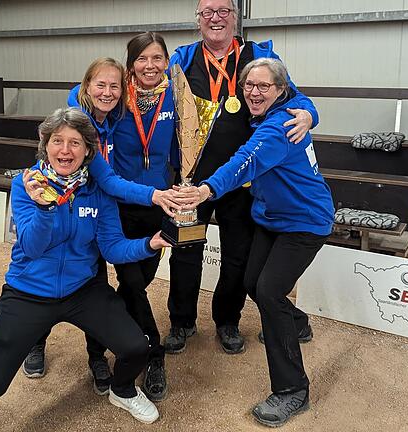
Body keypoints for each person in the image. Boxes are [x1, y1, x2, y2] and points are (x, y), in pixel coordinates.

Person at [0, 107, 168, 432]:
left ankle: (122, 389)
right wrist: (44, 207)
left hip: (83, 291)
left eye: (75, 143)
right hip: (28, 292)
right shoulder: (27, 184)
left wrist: (149, 244)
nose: (65, 150)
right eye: (58, 141)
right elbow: (31, 246)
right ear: (46, 145)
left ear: (88, 150)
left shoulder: (98, 192)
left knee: (137, 346)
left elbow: (112, 248)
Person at [20, 58, 195, 395]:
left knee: (102, 285)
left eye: (115, 86)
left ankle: (98, 354)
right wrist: (156, 196)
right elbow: (111, 181)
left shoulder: (116, 116)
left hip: (103, 212)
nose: (108, 92)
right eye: (100, 84)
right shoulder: (83, 121)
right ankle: (36, 341)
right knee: (49, 272)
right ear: (86, 85)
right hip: (65, 205)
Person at [164, 0, 319, 355]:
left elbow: (296, 96)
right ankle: (181, 321)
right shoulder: (183, 60)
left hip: (243, 183)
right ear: (198, 20)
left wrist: (310, 115)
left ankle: (227, 322)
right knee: (185, 251)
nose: (215, 19)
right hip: (192, 183)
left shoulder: (257, 54)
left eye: (223, 12)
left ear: (236, 18)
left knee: (237, 256)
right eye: (208, 13)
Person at [187, 57, 333, 427]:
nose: (253, 92)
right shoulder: (292, 104)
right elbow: (300, 96)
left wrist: (206, 189)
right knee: (253, 282)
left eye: (263, 86)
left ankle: (292, 391)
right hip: (271, 217)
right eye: (249, 85)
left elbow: (242, 164)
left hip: (304, 222)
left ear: (279, 90)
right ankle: (296, 323)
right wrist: (308, 110)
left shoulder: (277, 128)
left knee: (268, 291)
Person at [107, 32, 178, 401]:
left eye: (157, 58)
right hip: (121, 206)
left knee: (137, 283)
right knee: (132, 282)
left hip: (160, 205)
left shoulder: (176, 95)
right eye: (142, 59)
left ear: (166, 61)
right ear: (130, 63)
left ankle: (113, 333)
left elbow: (188, 143)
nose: (150, 66)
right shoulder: (117, 98)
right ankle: (153, 353)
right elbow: (80, 94)